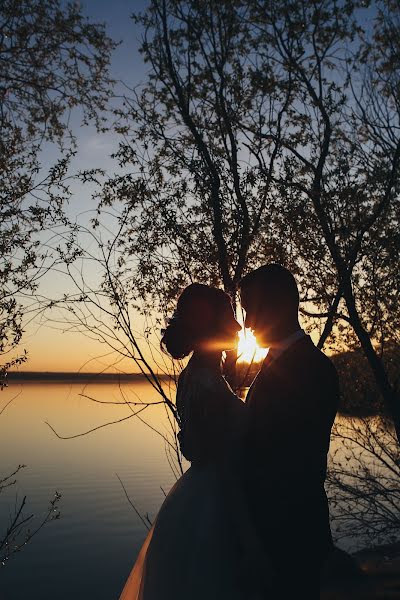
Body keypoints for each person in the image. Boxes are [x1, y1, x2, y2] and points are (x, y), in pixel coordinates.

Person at [119, 283, 266, 600]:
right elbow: (219, 459)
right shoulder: (206, 383)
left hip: (197, 498)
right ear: (214, 327)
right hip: (216, 503)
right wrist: (249, 537)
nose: (238, 326)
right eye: (229, 318)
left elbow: (194, 446)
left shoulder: (198, 376)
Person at [239, 264, 339, 599]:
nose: (248, 323)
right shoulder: (273, 363)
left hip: (291, 535)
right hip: (270, 534)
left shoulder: (313, 369)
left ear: (279, 304)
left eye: (251, 309)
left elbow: (295, 461)